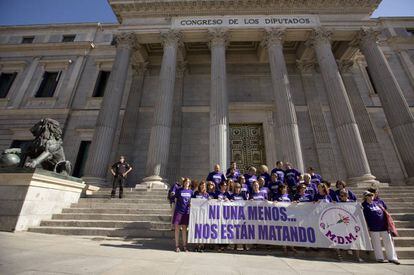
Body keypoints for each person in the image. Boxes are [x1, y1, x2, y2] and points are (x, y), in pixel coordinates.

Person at [362, 191, 400, 264]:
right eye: (368, 195)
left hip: (384, 226)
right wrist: (367, 226)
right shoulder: (363, 205)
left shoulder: (378, 203)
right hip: (373, 227)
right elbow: (363, 217)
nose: (370, 196)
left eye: (371, 195)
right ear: (365, 197)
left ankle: (392, 258)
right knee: (376, 243)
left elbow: (385, 212)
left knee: (388, 242)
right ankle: (379, 258)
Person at [336, 189, 364, 262]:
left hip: (351, 224)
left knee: (355, 239)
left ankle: (357, 257)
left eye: (345, 195)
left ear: (347, 195)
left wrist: (360, 207)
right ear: (339, 196)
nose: (343, 197)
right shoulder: (337, 203)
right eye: (342, 195)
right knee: (337, 239)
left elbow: (358, 210)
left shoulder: (353, 202)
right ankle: (339, 256)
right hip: (342, 224)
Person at [172, 178, 193, 252]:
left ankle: (185, 246)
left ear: (189, 183)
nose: (187, 183)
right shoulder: (179, 190)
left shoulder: (191, 191)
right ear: (184, 183)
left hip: (186, 212)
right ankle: (177, 246)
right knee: (177, 229)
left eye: (188, 182)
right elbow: (173, 196)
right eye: (186, 182)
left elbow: (192, 201)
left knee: (184, 229)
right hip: (178, 211)